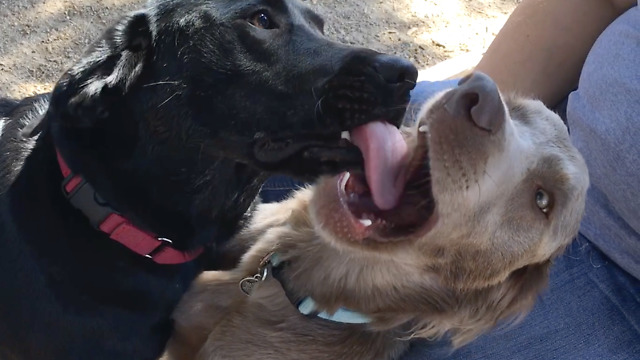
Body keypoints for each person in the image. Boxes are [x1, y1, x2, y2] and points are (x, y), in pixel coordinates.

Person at [260, 0, 640, 358]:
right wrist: (464, 122)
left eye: (543, 199)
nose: (478, 97)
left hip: (624, 277)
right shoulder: (498, 118)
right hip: (557, 113)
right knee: (250, 142)